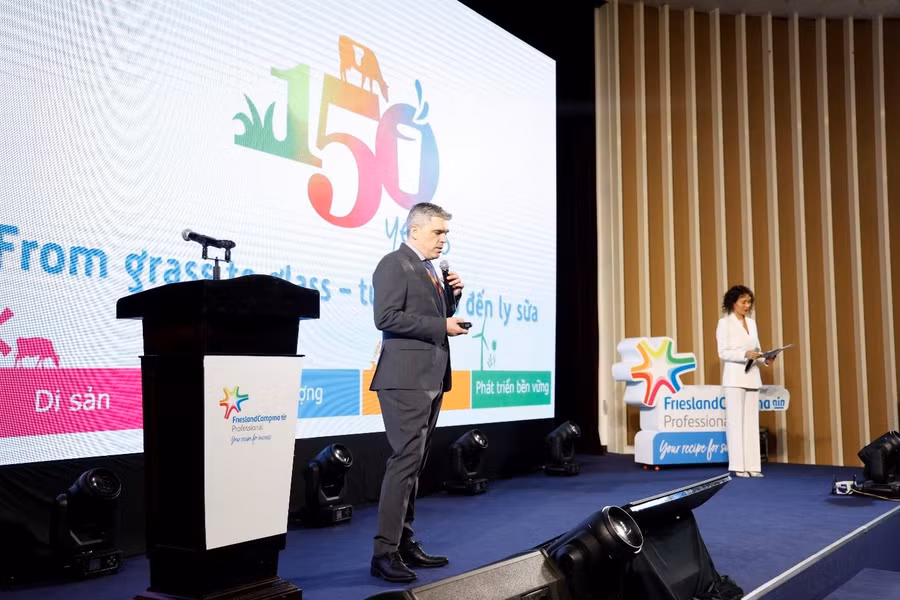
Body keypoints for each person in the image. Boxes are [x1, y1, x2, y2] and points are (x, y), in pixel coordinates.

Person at [369, 202, 468, 583]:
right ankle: (384, 553)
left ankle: (404, 542)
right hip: (404, 379)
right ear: (414, 230)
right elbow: (386, 317)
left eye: (445, 233)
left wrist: (453, 298)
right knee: (404, 463)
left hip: (430, 377)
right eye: (437, 232)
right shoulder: (395, 263)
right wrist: (443, 324)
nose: (444, 240)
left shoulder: (431, 270)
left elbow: (430, 316)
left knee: (414, 466)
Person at [716, 285, 776, 478]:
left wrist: (765, 358)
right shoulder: (724, 323)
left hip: (752, 377)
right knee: (736, 422)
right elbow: (723, 352)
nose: (747, 305)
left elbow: (756, 350)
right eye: (743, 302)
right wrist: (744, 354)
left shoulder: (752, 323)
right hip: (734, 377)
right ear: (733, 303)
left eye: (749, 302)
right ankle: (738, 465)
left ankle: (753, 465)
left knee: (751, 423)